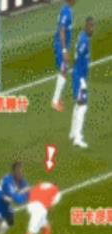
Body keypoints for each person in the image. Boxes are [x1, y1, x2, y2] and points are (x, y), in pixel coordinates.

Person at [70, 17, 94, 148]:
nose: (92, 29)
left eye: (93, 26)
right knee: (83, 107)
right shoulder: (84, 41)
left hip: (78, 76)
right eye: (90, 27)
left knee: (78, 105)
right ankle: (77, 138)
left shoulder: (82, 36)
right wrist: (80, 80)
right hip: (79, 79)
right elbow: (79, 57)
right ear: (86, 26)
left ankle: (73, 133)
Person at [51, 0, 75, 112]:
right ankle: (55, 101)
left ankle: (57, 98)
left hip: (62, 45)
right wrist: (64, 50)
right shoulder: (66, 12)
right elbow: (61, 31)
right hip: (61, 46)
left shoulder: (67, 9)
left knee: (64, 70)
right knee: (64, 71)